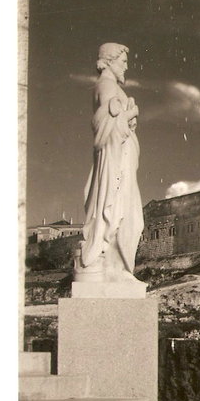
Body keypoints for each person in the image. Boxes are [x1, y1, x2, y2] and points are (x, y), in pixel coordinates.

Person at [75, 43, 144, 282]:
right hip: (116, 160)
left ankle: (117, 268)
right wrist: (130, 115)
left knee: (128, 215)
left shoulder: (109, 86)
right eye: (123, 61)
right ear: (110, 61)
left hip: (122, 158)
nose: (126, 66)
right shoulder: (106, 86)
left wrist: (127, 116)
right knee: (126, 215)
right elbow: (104, 126)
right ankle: (115, 269)